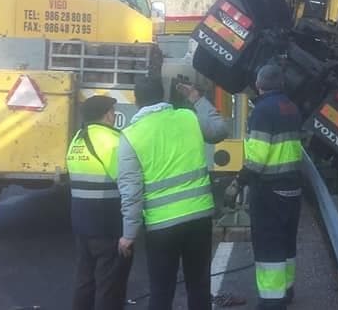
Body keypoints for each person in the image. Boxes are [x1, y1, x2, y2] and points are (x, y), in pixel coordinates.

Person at [116, 75, 228, 310]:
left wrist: (129, 234)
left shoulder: (130, 136)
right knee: (198, 286)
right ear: (163, 95)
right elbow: (219, 130)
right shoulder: (188, 117)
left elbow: (131, 190)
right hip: (198, 217)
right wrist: (196, 98)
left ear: (136, 101)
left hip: (161, 226)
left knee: (161, 290)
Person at [235, 63, 304, 309]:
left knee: (268, 246)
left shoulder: (263, 111)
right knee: (286, 243)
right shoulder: (291, 107)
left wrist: (239, 181)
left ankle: (271, 302)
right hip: (292, 188)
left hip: (269, 191)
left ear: (259, 84)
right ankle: (286, 291)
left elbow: (258, 157)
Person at [68, 95, 132, 310]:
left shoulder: (77, 139)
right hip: (107, 222)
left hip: (81, 220)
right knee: (109, 283)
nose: (114, 116)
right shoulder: (113, 141)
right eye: (113, 112)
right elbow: (126, 180)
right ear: (107, 115)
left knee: (84, 279)